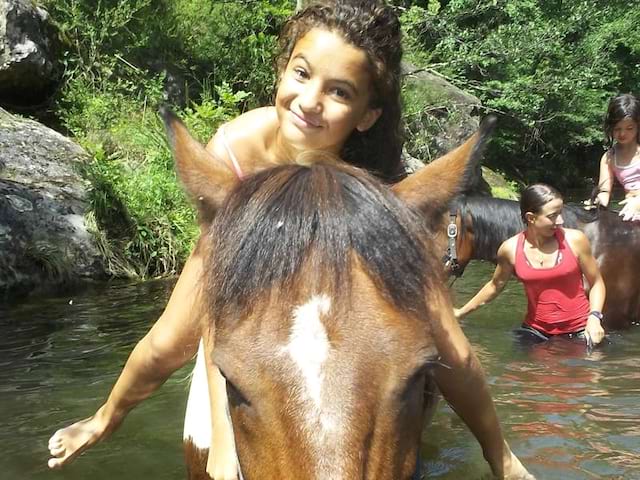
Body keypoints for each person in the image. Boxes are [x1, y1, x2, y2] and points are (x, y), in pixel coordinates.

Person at [48, 1, 532, 478]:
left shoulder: (377, 188)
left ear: (367, 114)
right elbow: (223, 296)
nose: (310, 102)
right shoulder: (236, 150)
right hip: (249, 265)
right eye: (302, 74)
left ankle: (500, 456)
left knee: (450, 344)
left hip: (342, 262)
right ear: (282, 71)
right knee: (169, 341)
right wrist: (222, 434)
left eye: (339, 92)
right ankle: (103, 419)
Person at [455, 183, 606, 346]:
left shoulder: (576, 240)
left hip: (580, 330)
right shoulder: (510, 249)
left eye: (560, 213)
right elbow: (494, 286)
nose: (561, 221)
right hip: (535, 333)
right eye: (553, 216)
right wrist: (461, 313)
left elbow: (597, 283)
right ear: (531, 218)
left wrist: (595, 317)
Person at [586, 93, 640, 221]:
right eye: (617, 129)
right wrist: (597, 202)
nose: (622, 133)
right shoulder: (609, 157)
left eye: (629, 128)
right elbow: (604, 191)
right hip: (629, 209)